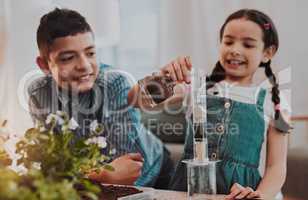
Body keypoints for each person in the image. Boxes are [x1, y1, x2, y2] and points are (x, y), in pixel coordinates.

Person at [131, 9, 291, 199]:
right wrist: (163, 79)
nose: (235, 49)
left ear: (267, 53)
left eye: (247, 44)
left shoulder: (276, 101)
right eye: (228, 41)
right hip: (187, 191)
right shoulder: (197, 86)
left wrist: (260, 196)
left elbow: (276, 167)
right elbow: (136, 100)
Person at [28, 8, 174, 189]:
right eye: (68, 58)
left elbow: (123, 171)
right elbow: (49, 164)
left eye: (90, 53)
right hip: (92, 185)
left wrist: (80, 175)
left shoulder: (115, 83)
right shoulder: (38, 93)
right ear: (44, 65)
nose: (84, 65)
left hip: (153, 173)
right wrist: (100, 173)